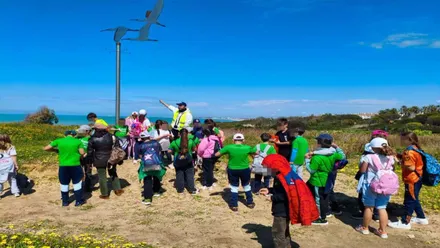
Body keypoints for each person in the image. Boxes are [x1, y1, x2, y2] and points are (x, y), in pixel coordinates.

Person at [259, 154, 320, 248]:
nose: (267, 170)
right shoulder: (285, 174)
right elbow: (281, 190)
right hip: (286, 209)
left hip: (282, 210)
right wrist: (269, 190)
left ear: (275, 166)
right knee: (284, 230)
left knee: (278, 232)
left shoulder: (282, 178)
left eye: (268, 167)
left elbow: (286, 195)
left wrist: (272, 198)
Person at [356, 138, 397, 239]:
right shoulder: (390, 157)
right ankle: (383, 231)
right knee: (382, 207)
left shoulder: (369, 157)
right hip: (385, 186)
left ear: (373, 147)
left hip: (370, 184)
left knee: (369, 207)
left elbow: (362, 170)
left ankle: (365, 228)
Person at [388, 132, 428, 229]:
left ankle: (405, 222)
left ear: (409, 140)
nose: (401, 141)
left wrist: (400, 163)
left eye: (403, 139)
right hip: (418, 178)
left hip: (412, 179)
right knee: (414, 198)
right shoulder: (415, 149)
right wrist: (397, 155)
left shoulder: (408, 152)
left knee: (409, 200)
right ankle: (421, 217)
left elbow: (411, 167)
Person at [305, 133, 345, 225]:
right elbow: (342, 156)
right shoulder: (333, 154)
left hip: (317, 181)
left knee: (319, 199)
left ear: (319, 144)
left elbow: (311, 170)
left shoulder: (317, 157)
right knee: (324, 198)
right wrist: (337, 147)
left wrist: (306, 160)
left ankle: (320, 218)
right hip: (328, 179)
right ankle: (323, 213)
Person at [352, 130, 389, 220]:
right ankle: (377, 216)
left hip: (370, 179)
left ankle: (365, 222)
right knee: (381, 205)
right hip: (384, 181)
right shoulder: (389, 154)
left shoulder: (369, 153)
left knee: (367, 203)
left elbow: (363, 169)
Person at [215, 133, 256, 212]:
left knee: (234, 187)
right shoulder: (247, 147)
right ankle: (250, 203)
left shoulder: (229, 147)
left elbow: (217, 154)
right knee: (246, 186)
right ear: (243, 140)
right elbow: (255, 154)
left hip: (232, 169)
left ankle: (234, 205)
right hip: (245, 169)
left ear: (233, 140)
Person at [44, 130, 85, 206]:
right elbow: (82, 153)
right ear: (74, 135)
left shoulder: (59, 141)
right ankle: (78, 201)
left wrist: (55, 150)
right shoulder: (78, 141)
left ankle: (65, 202)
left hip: (63, 166)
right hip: (75, 165)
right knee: (77, 183)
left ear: (65, 135)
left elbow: (46, 148)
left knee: (64, 184)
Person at [87, 123, 124, 199]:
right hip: (112, 158)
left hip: (98, 159)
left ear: (96, 129)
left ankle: (105, 194)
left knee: (102, 176)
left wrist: (89, 161)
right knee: (113, 173)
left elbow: (90, 152)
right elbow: (118, 148)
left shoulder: (92, 139)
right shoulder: (113, 137)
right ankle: (117, 190)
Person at [136, 131, 167, 206]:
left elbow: (140, 156)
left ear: (142, 138)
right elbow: (159, 152)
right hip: (156, 163)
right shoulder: (156, 143)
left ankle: (147, 199)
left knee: (147, 180)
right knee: (156, 176)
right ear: (149, 137)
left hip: (146, 165)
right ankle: (156, 191)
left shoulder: (140, 146)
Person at [169, 128, 198, 194]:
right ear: (187, 134)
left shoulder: (175, 142)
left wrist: (174, 151)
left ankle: (180, 190)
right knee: (190, 175)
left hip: (178, 160)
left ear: (179, 134)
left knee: (179, 174)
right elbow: (195, 149)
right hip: (188, 160)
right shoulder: (190, 141)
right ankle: (191, 189)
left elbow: (169, 150)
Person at [76, 125, 93, 193]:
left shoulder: (91, 138)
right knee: (78, 172)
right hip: (78, 158)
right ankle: (78, 186)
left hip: (88, 158)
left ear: (87, 131)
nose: (81, 131)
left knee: (88, 172)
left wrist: (87, 154)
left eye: (82, 130)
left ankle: (87, 187)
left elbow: (93, 148)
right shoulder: (78, 138)